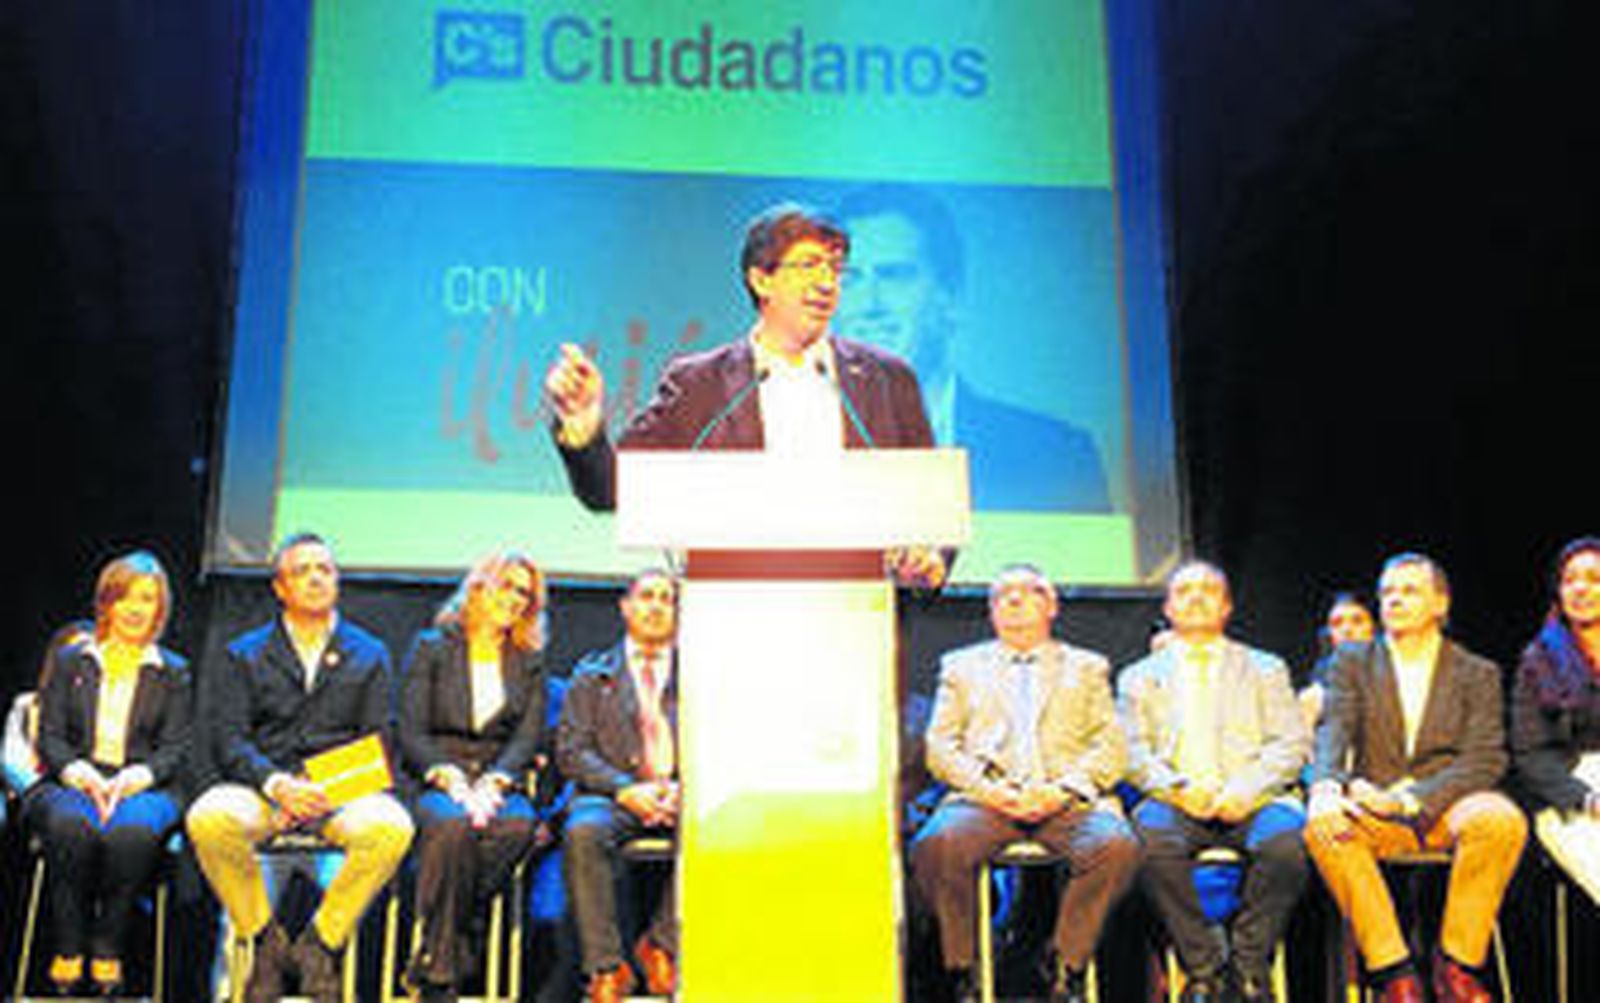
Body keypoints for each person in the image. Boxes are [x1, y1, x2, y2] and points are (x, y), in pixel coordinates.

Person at [544, 201, 945, 588]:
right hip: (732, 618)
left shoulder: (888, 379)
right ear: (761, 279)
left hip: (861, 617)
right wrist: (583, 425)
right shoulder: (699, 385)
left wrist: (929, 555)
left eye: (835, 268)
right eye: (808, 265)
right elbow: (613, 491)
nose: (826, 282)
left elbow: (935, 505)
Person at [185, 532, 414, 1003]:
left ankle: (319, 942)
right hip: (264, 791)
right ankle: (265, 938)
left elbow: (377, 745)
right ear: (280, 587)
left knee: (393, 826)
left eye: (324, 570)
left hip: (336, 798)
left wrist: (318, 790)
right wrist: (277, 785)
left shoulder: (370, 653)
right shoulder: (244, 653)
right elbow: (229, 740)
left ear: (337, 581)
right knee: (207, 817)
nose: (315, 579)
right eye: (302, 571)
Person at [910, 564, 1139, 1003]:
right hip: (986, 799)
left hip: (1065, 799)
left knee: (1116, 845)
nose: (1013, 602)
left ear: (1051, 605)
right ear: (992, 611)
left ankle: (1065, 964)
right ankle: (964, 968)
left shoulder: (1087, 667)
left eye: (1027, 593)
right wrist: (988, 791)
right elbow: (941, 746)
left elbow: (1111, 747)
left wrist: (1062, 791)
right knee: (937, 844)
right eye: (1001, 596)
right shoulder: (961, 667)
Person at [1306, 553, 1527, 1003]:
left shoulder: (1476, 672)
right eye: (1388, 592)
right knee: (1323, 829)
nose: (1395, 601)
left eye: (1409, 591)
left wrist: (1410, 800)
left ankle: (1457, 968)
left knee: (1500, 819)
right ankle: (1395, 973)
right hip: (1375, 810)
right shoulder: (1351, 661)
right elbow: (1335, 730)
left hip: (1446, 806)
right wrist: (1326, 789)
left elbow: (1485, 758)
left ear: (1440, 604)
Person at [833, 182, 1110, 512]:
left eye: (895, 276)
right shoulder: (783, 443)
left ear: (950, 299)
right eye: (849, 280)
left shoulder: (1057, 456)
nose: (869, 304)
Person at [1116, 560, 1310, 1003]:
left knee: (1287, 846)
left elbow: (1290, 743)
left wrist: (1245, 790)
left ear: (1226, 607)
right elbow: (1131, 751)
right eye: (1184, 591)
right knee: (1146, 843)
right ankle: (1202, 965)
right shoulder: (1140, 676)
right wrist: (1178, 790)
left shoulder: (1265, 668)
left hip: (1254, 797)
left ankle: (1248, 964)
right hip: (1177, 799)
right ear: (1168, 607)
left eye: (1209, 590)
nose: (1197, 597)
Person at [28, 551, 191, 994]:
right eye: (127, 598)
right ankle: (69, 943)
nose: (137, 608)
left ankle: (108, 944)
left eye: (148, 599)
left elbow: (176, 747)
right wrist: (82, 774)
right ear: (107, 603)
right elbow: (52, 738)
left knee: (131, 832)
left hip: (144, 783)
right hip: (75, 778)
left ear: (160, 608)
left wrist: (133, 779)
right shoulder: (72, 662)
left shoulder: (174, 671)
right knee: (71, 826)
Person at [397, 551, 548, 1003]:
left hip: (498, 777)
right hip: (439, 775)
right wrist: (448, 778)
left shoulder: (529, 660)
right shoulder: (432, 647)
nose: (516, 599)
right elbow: (410, 729)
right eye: (508, 586)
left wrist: (498, 781)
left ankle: (443, 944)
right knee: (452, 826)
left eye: (525, 593)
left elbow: (527, 736)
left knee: (518, 826)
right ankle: (450, 966)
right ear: (479, 588)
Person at [556, 570, 682, 1003]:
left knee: (723, 824)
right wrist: (626, 789)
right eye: (647, 596)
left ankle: (662, 945)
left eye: (667, 599)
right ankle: (606, 968)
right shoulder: (592, 674)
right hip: (612, 796)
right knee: (583, 829)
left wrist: (685, 789)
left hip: (682, 795)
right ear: (625, 607)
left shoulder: (702, 673)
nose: (656, 606)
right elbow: (572, 751)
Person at [1512, 536, 1600, 904]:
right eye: (1570, 580)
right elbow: (1530, 755)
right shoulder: (1539, 660)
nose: (1580, 588)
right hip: (1570, 795)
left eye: (1594, 578)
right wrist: (1589, 799)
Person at [1299, 591, 1377, 732]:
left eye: (1357, 621)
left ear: (1374, 628)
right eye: (1337, 623)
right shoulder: (1315, 697)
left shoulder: (1397, 679)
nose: (1347, 630)